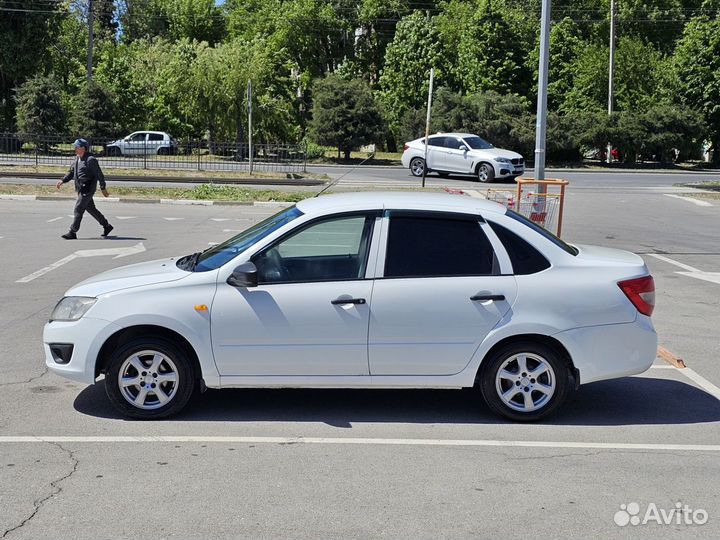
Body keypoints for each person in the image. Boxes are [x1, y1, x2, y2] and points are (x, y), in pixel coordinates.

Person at [56, 138, 113, 240]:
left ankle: (72, 232)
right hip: (80, 189)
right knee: (91, 209)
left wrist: (103, 187)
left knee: (78, 208)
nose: (75, 148)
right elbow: (71, 173)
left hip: (88, 189)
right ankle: (107, 226)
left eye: (76, 146)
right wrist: (63, 180)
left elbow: (99, 175)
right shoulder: (77, 158)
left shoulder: (90, 160)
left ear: (83, 148)